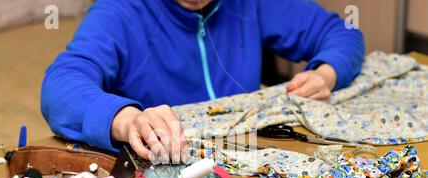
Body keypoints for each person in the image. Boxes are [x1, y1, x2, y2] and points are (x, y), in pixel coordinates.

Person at [41, 0, 364, 163]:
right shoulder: (120, 12)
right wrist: (126, 119)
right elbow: (59, 86)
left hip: (248, 156)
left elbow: (342, 32)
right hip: (167, 170)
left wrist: (326, 73)